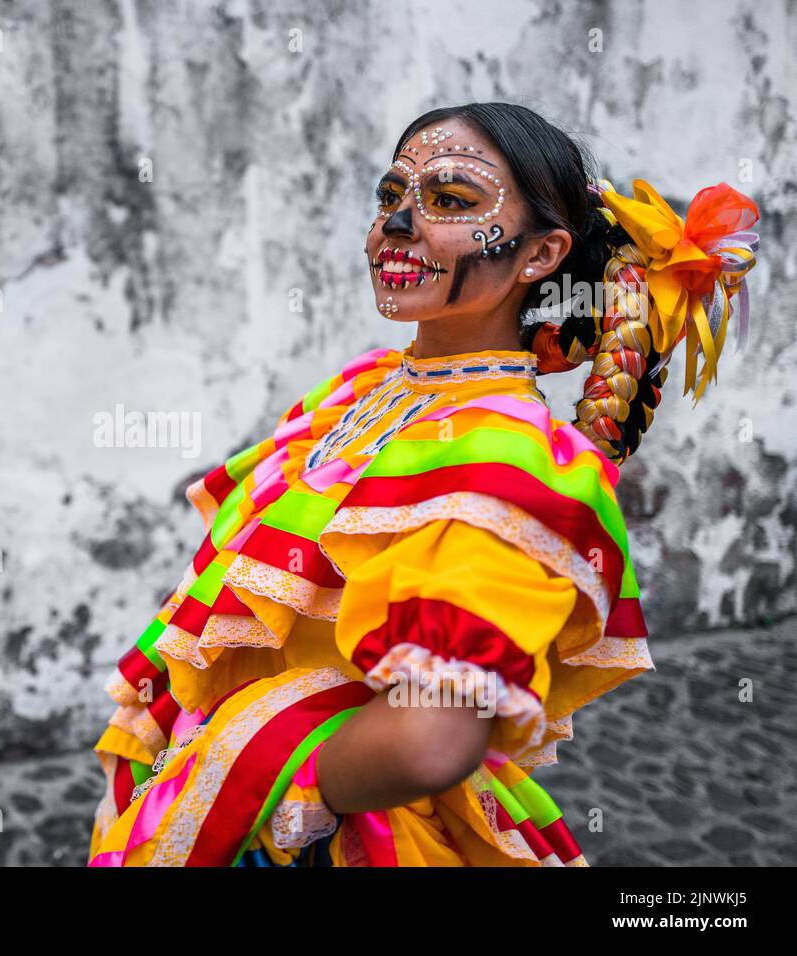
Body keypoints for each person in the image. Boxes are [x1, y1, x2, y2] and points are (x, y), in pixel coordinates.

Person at [86, 102, 760, 867]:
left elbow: (426, 741)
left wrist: (252, 781)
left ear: (541, 254)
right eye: (389, 197)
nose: (395, 226)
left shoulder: (511, 456)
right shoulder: (362, 387)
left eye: (449, 201)